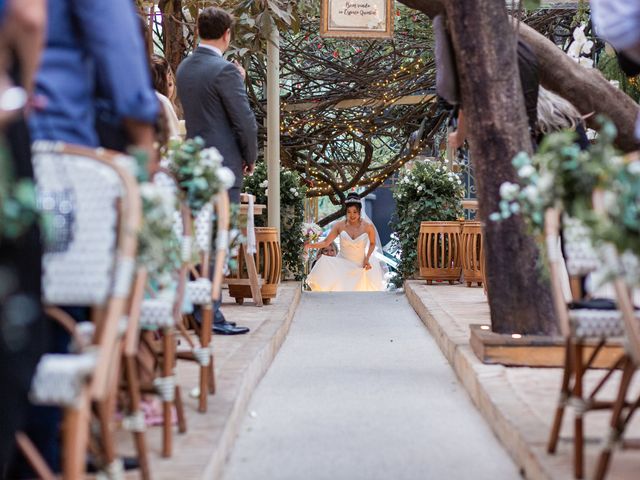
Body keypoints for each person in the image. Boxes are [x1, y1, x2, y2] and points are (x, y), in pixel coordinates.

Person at [176, 7, 257, 335]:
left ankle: (197, 310)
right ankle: (212, 314)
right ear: (227, 35)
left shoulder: (183, 69)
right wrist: (250, 157)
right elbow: (245, 122)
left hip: (193, 168)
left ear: (198, 30)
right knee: (221, 240)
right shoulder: (225, 71)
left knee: (198, 241)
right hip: (224, 169)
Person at [305, 193, 385, 292]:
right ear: (345, 212)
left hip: (360, 266)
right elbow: (326, 242)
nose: (352, 215)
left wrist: (367, 258)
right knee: (341, 293)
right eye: (349, 212)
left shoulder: (368, 227)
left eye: (355, 212)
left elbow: (372, 243)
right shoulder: (339, 226)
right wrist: (309, 245)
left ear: (359, 211)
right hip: (342, 265)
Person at [150, 54, 180, 140]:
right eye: (169, 83)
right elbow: (174, 140)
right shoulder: (161, 101)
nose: (171, 87)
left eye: (171, 83)